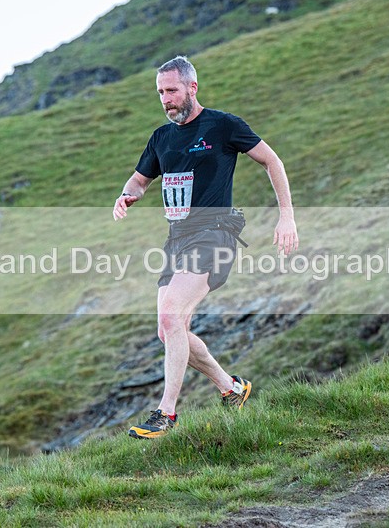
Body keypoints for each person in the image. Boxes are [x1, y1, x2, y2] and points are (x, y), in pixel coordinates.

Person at [112, 56, 298, 439]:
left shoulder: (223, 125)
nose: (166, 99)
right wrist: (126, 195)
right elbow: (139, 181)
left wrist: (287, 217)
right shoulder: (161, 138)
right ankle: (231, 388)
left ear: (192, 88)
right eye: (160, 92)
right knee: (169, 330)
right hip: (176, 241)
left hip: (215, 234)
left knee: (171, 318)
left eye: (172, 90)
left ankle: (166, 414)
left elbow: (272, 161)